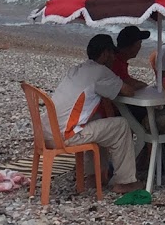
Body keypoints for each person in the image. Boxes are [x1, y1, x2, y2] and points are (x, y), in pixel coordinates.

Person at [50, 34, 142, 194]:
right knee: (121, 125)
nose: (114, 58)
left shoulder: (77, 69)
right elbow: (129, 91)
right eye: (112, 54)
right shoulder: (101, 72)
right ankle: (125, 182)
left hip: (47, 132)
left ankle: (94, 176)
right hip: (66, 134)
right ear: (106, 53)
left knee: (98, 120)